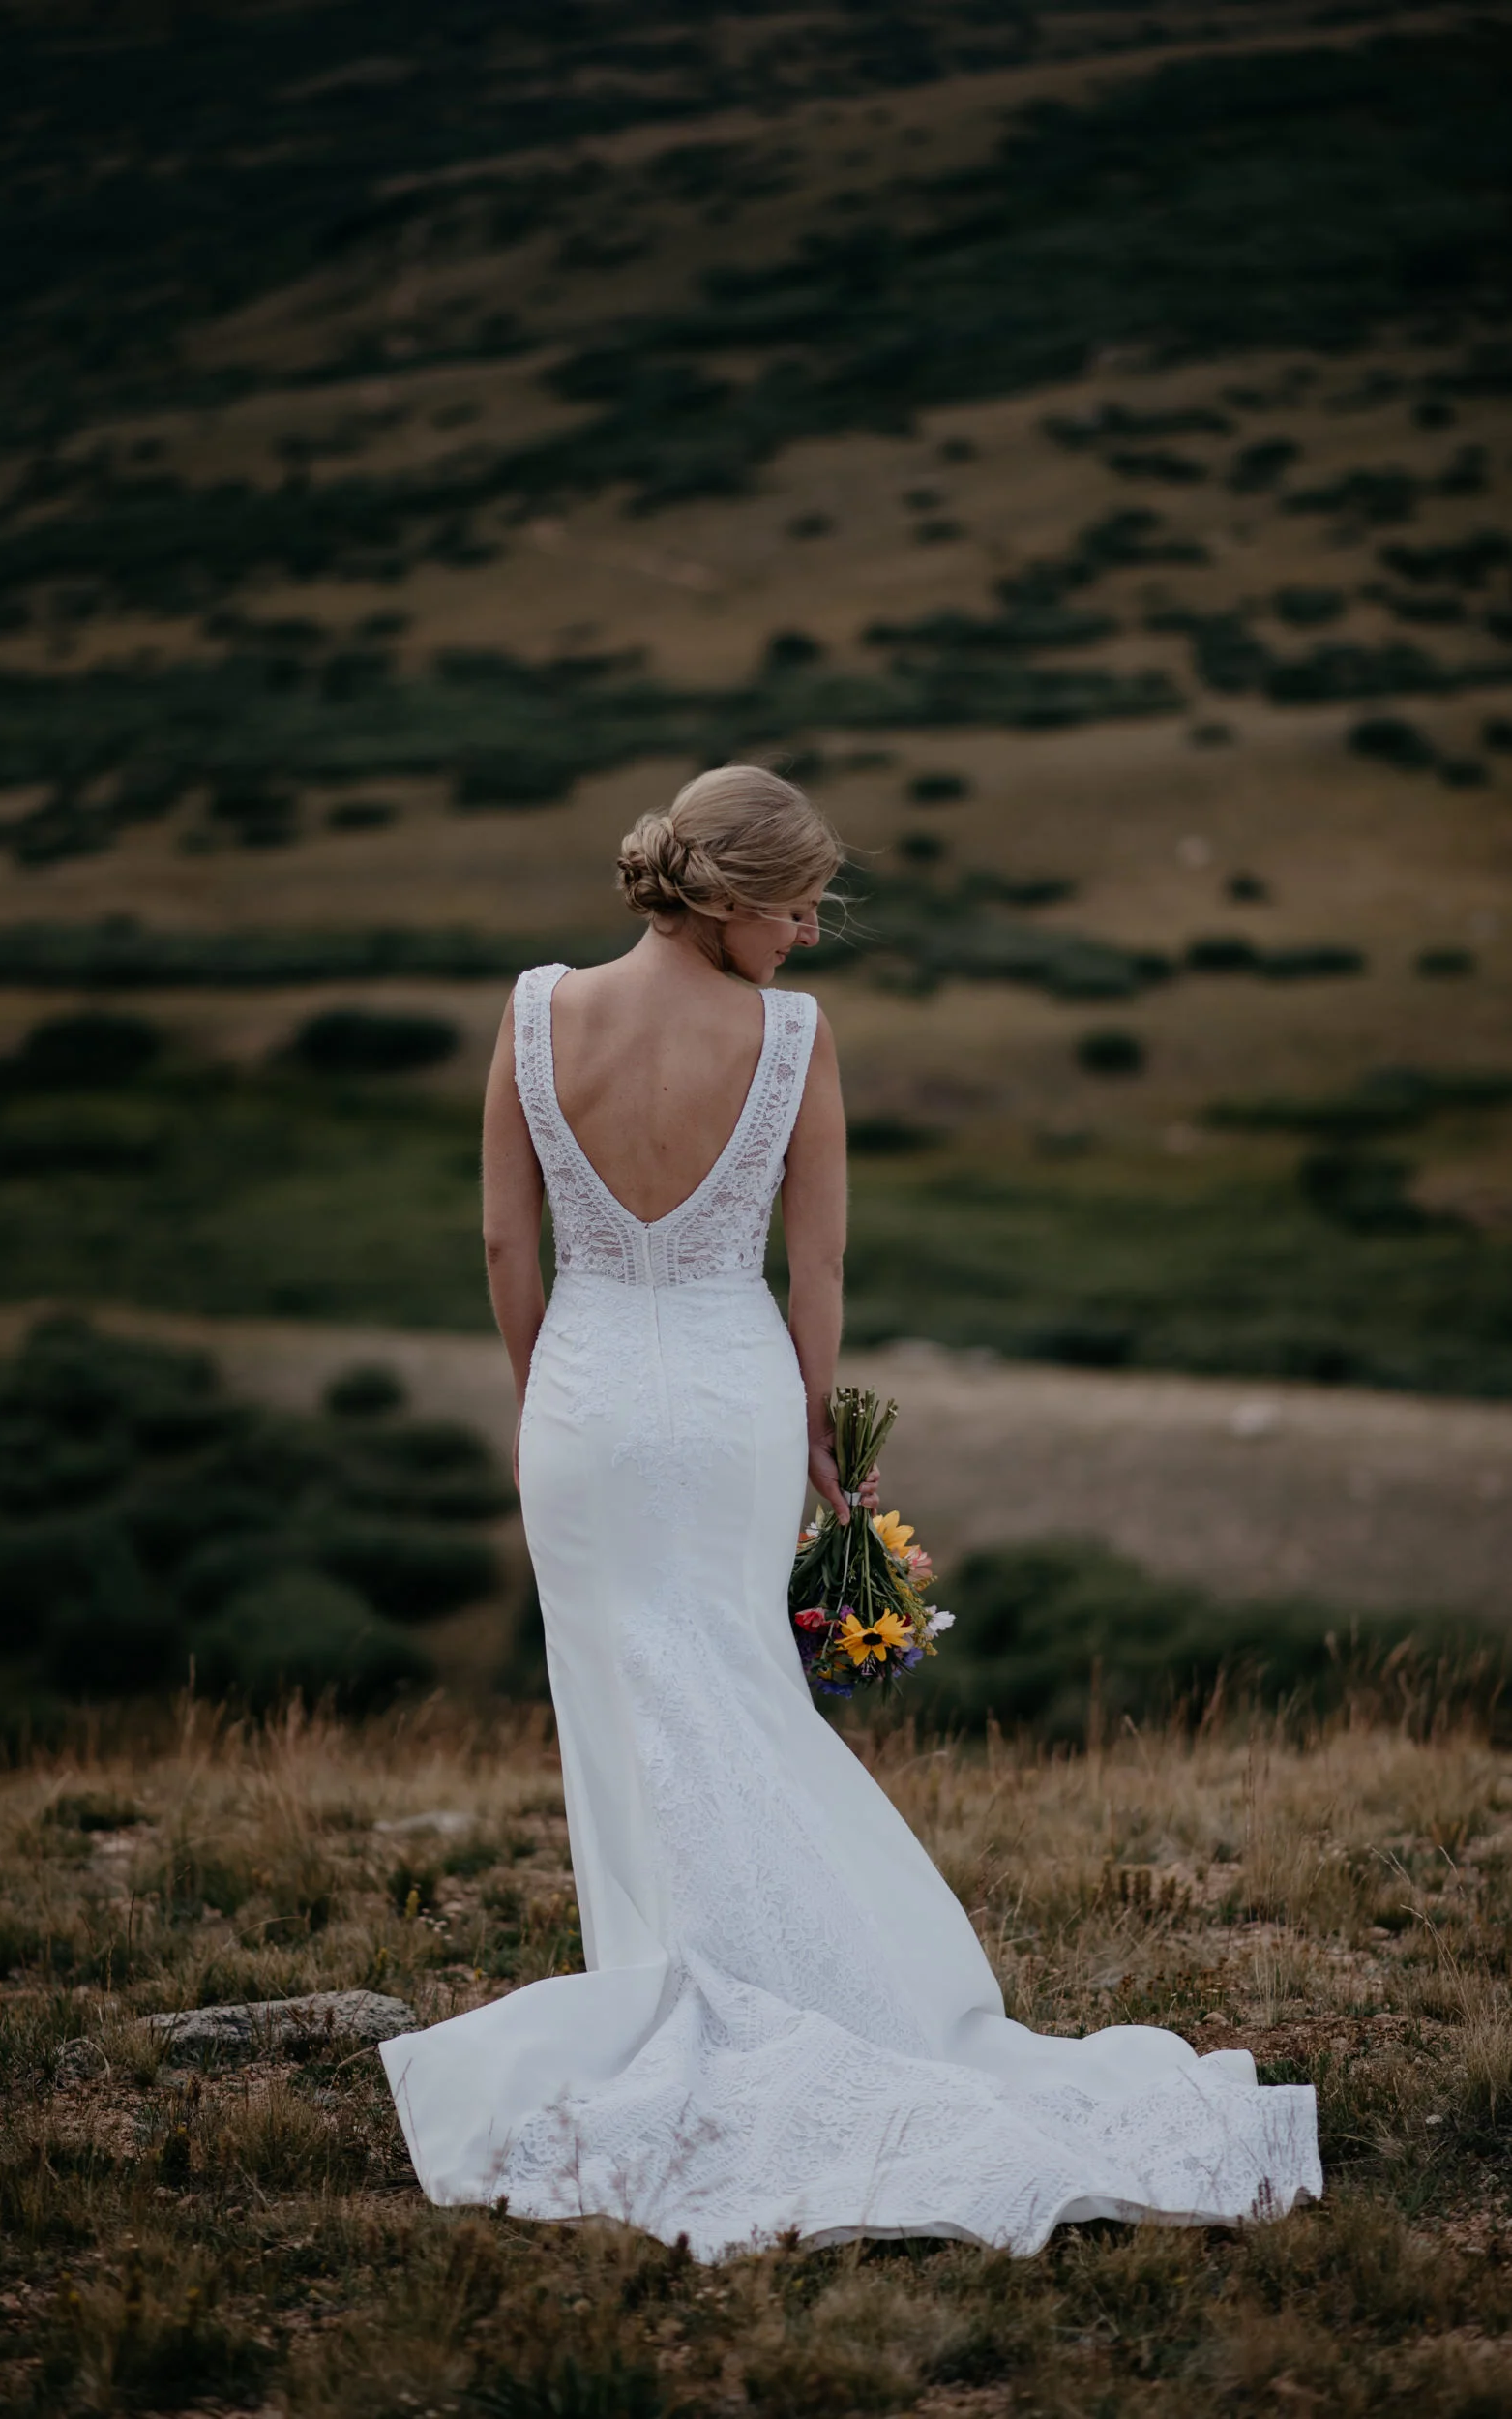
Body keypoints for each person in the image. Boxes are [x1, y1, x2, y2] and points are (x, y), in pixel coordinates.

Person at [381, 765, 1320, 2257]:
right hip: (733, 1403)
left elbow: (508, 1242)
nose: (808, 941)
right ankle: (813, 1989)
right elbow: (813, 1276)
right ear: (733, 899)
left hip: (582, 1402)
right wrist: (826, 1435)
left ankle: (673, 1983)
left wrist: (539, 1398)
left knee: (633, 1710)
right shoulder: (789, 1042)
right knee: (740, 1692)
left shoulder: (533, 1008)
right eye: (801, 910)